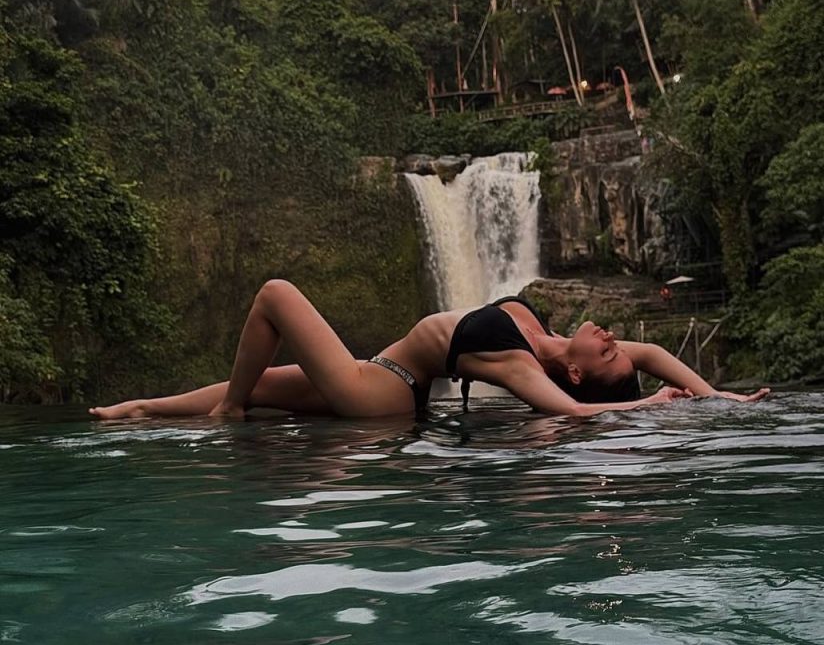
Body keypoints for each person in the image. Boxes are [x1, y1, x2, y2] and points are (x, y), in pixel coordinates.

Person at [88, 281, 769, 421]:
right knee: (264, 382)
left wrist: (644, 411)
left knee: (274, 295)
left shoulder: (521, 363)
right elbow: (653, 357)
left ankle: (228, 415)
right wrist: (721, 396)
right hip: (377, 370)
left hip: (384, 393)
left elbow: (574, 412)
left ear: (574, 369)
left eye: (610, 354)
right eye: (618, 347)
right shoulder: (542, 332)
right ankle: (144, 408)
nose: (618, 341)